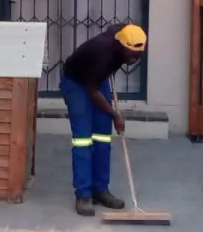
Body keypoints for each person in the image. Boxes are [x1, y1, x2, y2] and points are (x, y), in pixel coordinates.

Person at [59, 23, 147, 217]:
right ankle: (83, 195)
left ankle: (100, 190)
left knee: (102, 137)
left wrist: (111, 115)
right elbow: (91, 91)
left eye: (138, 55)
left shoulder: (125, 34)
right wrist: (115, 115)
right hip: (77, 82)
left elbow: (112, 27)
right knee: (83, 139)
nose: (133, 59)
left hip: (98, 78)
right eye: (130, 55)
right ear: (121, 45)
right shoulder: (101, 54)